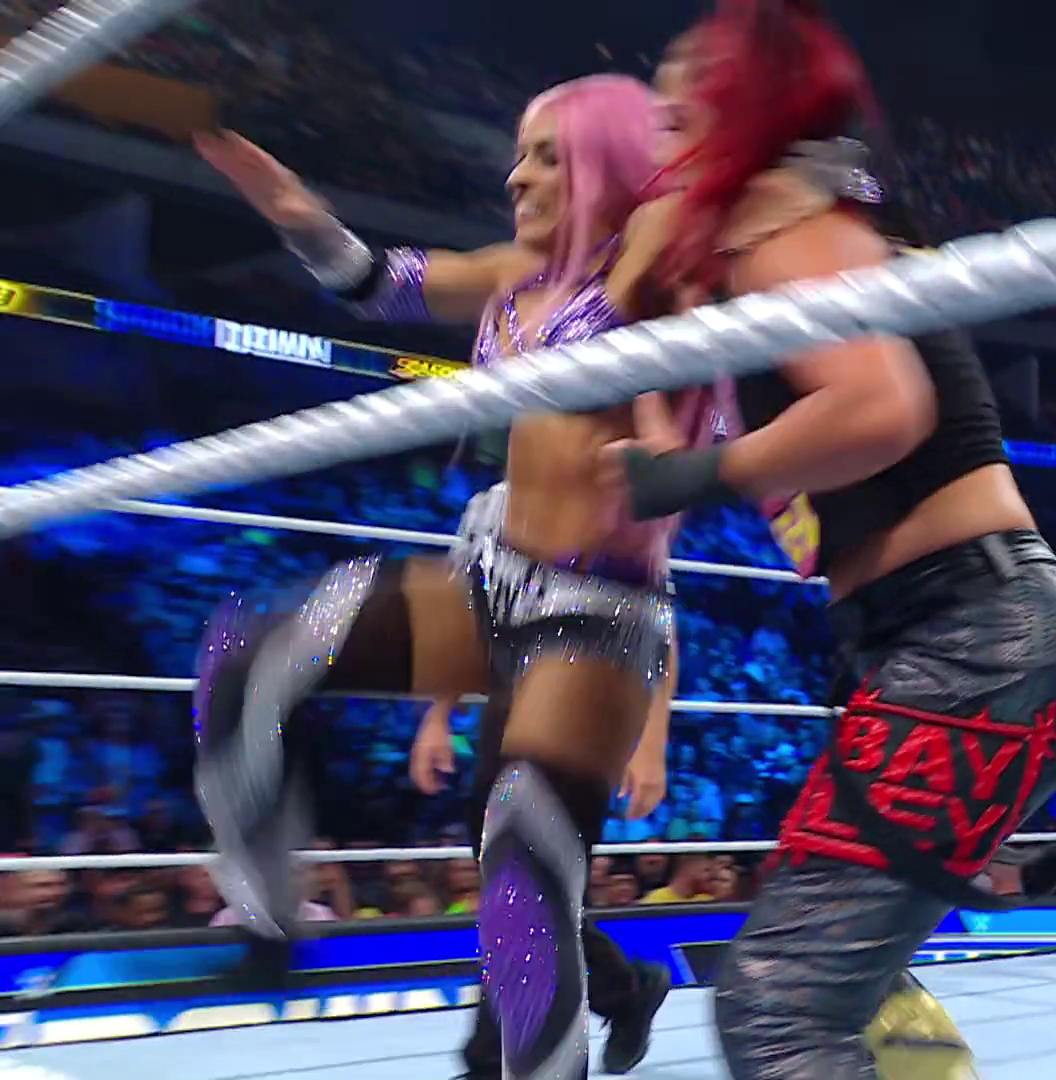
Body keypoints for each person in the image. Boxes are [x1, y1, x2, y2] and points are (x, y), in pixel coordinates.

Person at [602, 4, 1056, 1074]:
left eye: (689, 79)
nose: (660, 102)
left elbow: (882, 409)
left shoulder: (785, 221)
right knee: (859, 974)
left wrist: (696, 472)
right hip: (967, 639)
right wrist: (649, 305)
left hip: (978, 637)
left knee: (776, 1005)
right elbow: (657, 448)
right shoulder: (768, 246)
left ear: (749, 102)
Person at [190, 74, 702, 1080]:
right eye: (518, 153)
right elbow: (371, 279)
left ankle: (571, 1033)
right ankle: (269, 914)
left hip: (596, 614)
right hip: (492, 579)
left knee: (520, 884)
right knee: (246, 656)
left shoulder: (648, 273)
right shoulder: (514, 274)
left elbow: (684, 210)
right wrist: (278, 197)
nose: (517, 176)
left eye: (548, 155)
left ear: (608, 165)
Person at [408, 481, 672, 1079]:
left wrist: (650, 742)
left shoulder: (618, 500)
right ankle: (625, 991)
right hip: (508, 702)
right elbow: (465, 618)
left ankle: (489, 1060)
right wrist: (439, 715)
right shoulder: (486, 507)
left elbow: (657, 628)